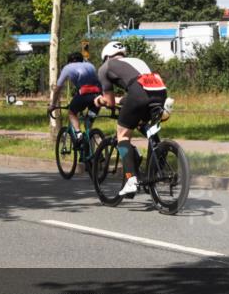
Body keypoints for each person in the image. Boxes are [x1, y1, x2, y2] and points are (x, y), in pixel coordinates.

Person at [94, 42, 167, 197]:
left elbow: (110, 101)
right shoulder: (137, 61)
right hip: (160, 92)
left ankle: (130, 179)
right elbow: (139, 89)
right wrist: (122, 100)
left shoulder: (105, 67)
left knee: (123, 135)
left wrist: (99, 101)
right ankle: (158, 164)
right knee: (144, 124)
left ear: (106, 56)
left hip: (139, 94)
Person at [48, 51, 102, 140]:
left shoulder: (67, 67)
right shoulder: (90, 65)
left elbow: (57, 88)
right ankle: (92, 150)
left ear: (69, 61)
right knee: (88, 125)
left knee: (72, 112)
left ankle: (78, 133)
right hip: (97, 97)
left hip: (84, 96)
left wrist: (53, 104)